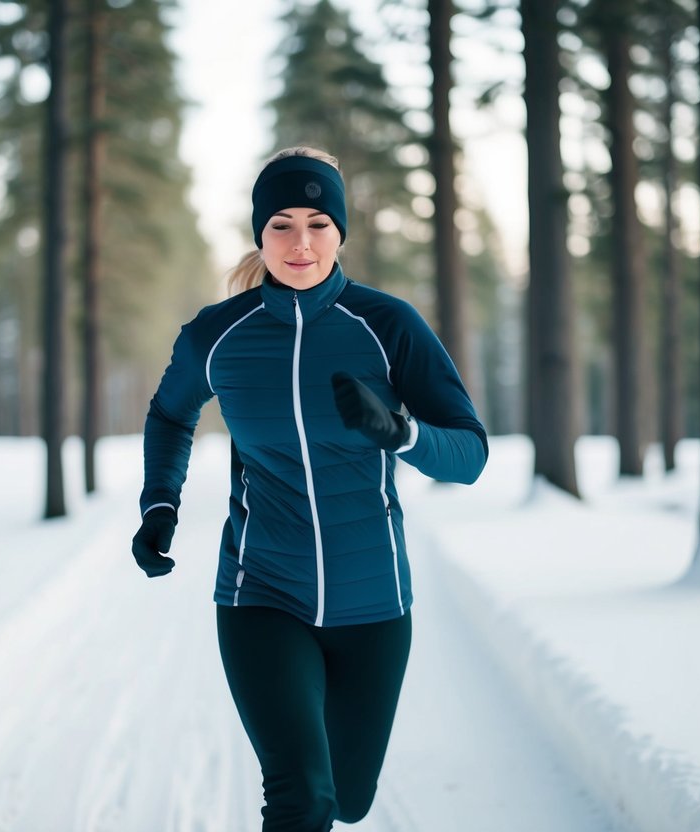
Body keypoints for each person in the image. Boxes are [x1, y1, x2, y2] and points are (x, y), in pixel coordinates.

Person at [131, 146, 489, 831]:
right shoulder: (219, 335)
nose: (299, 243)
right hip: (260, 592)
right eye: (281, 224)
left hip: (372, 601)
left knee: (346, 799)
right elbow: (170, 413)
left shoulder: (386, 326)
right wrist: (159, 503)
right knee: (302, 795)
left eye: (318, 223)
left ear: (340, 232)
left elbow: (468, 455)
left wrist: (401, 433)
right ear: (259, 234)